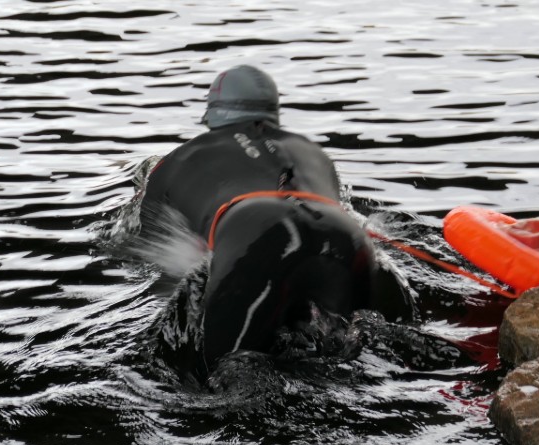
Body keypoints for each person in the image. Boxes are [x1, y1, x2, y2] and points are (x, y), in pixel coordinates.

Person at [139, 65, 414, 374]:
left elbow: (150, 247)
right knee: (377, 357)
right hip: (344, 234)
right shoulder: (316, 153)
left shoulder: (176, 160)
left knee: (226, 377)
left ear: (213, 113)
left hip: (255, 231)